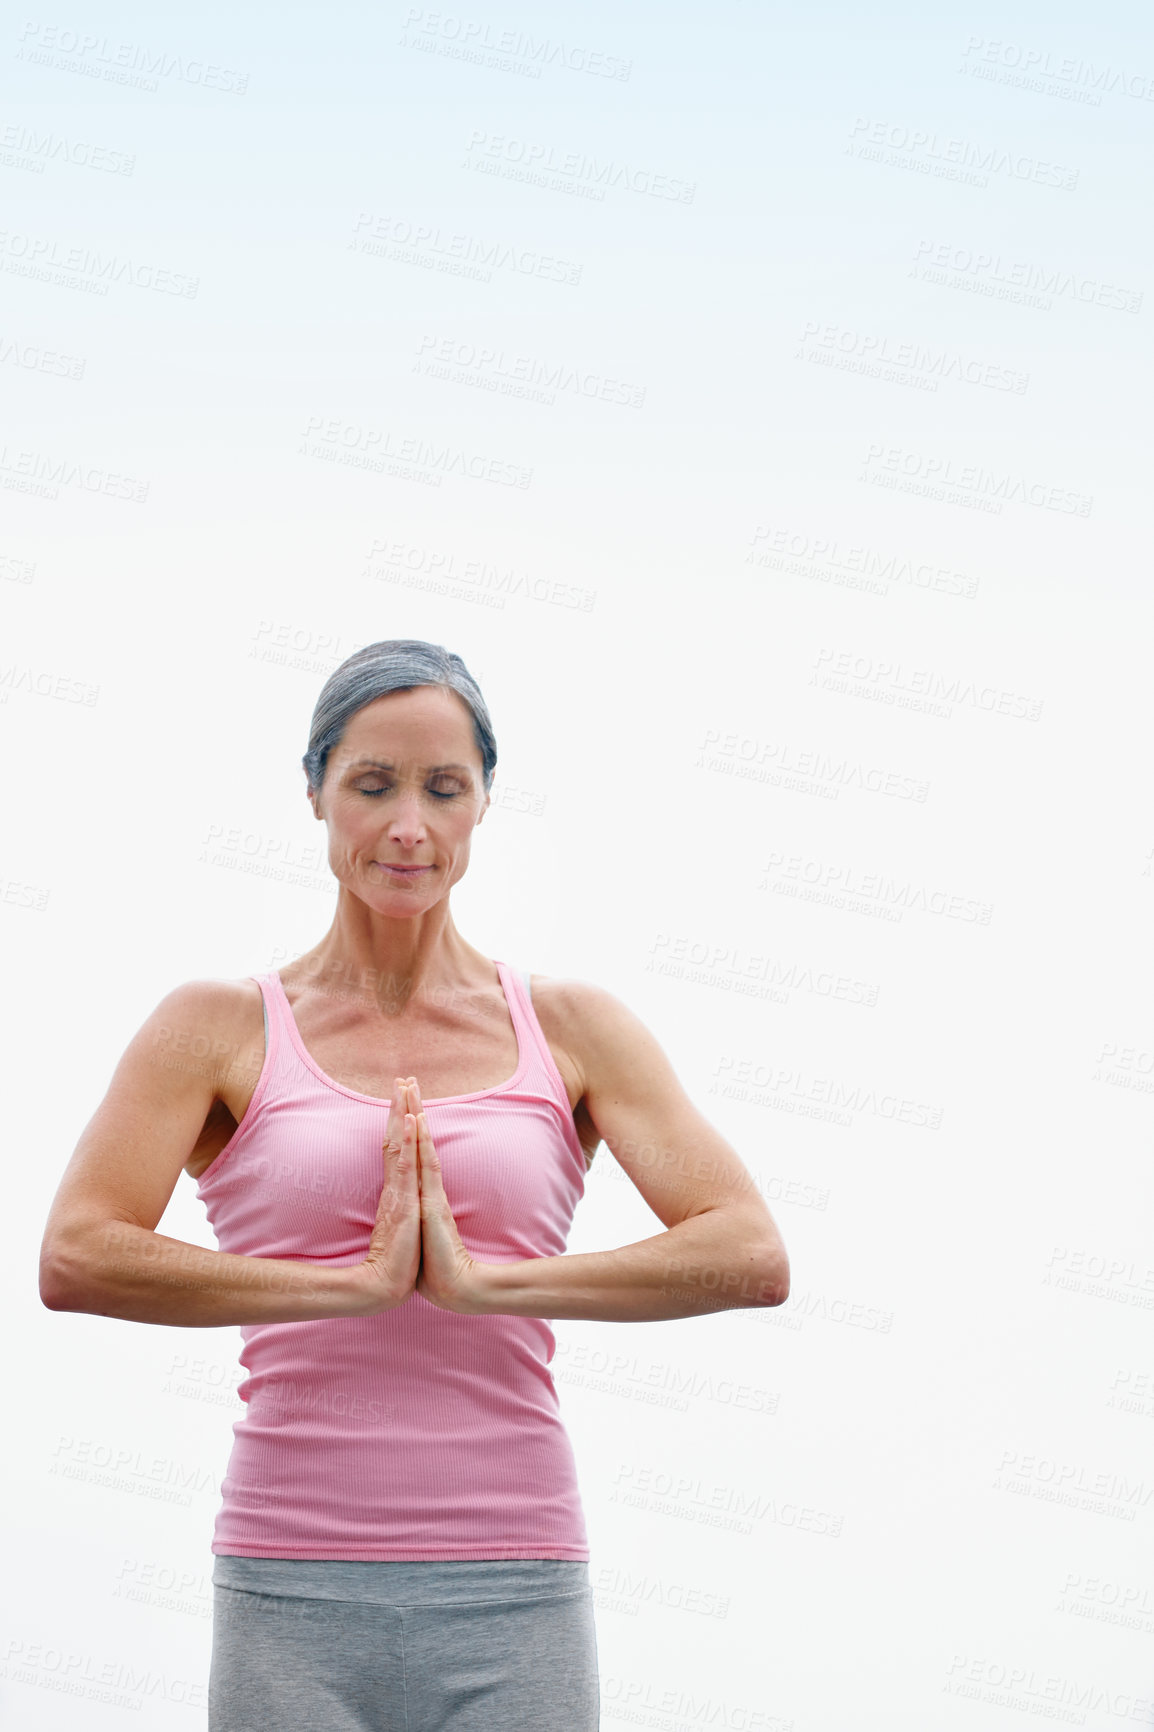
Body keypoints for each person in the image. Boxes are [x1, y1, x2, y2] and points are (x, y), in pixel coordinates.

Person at [38, 638, 790, 1731]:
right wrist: (350, 1284)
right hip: (289, 1583)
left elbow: (748, 1249)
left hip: (516, 1580)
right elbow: (77, 1253)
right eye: (371, 784)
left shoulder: (571, 1027)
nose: (407, 827)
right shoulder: (214, 1027)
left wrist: (486, 1283)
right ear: (313, 792)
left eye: (444, 788)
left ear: (484, 801)